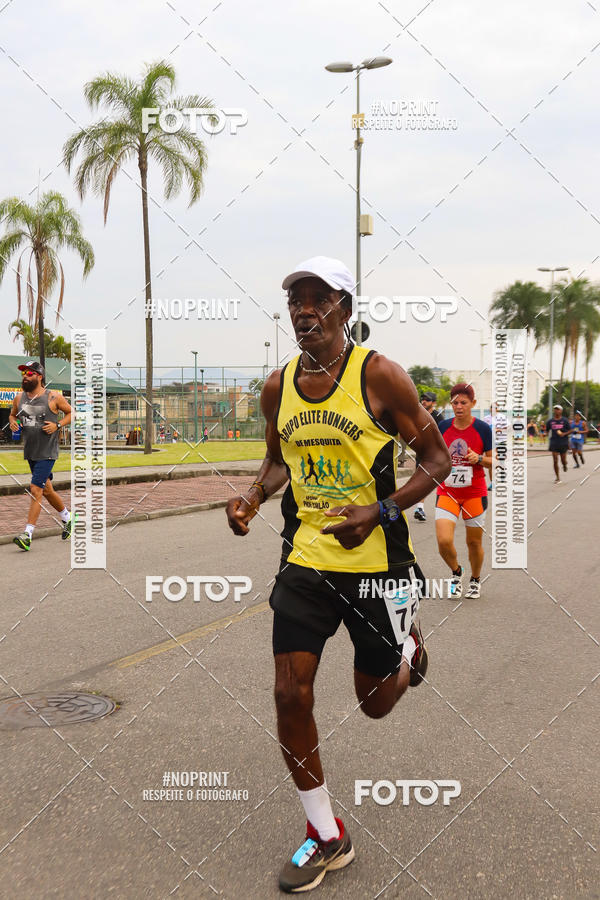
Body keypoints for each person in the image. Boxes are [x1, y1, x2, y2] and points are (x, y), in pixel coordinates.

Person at [226, 256, 451, 894]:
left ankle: (406, 649)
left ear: (345, 309)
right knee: (289, 694)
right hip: (306, 561)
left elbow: (437, 458)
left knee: (375, 703)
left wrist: (379, 511)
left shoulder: (380, 377)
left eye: (317, 299)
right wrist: (251, 497)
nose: (303, 311)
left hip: (379, 564)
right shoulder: (278, 387)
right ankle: (327, 834)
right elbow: (276, 465)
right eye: (295, 300)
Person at [435, 383, 493, 600]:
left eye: (463, 403)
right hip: (447, 492)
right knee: (443, 540)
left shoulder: (483, 429)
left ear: (473, 404)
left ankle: (476, 579)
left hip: (474, 494)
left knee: (474, 542)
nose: (459, 407)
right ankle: (457, 572)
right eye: (455, 403)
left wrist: (478, 458)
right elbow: (435, 455)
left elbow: (494, 461)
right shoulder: (443, 427)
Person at [9, 361, 73, 551]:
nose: (25, 376)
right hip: (31, 452)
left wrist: (58, 425)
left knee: (36, 489)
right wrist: (12, 422)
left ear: (39, 376)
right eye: (23, 373)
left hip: (48, 452)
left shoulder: (53, 397)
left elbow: (71, 413)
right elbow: (13, 415)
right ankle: (68, 519)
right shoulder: (18, 398)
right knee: (46, 490)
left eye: (29, 373)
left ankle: (27, 535)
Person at [413, 391, 444, 521]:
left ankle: (446, 507)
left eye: (428, 400)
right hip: (421, 452)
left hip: (434, 454)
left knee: (434, 481)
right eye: (423, 399)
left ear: (434, 403)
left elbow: (442, 437)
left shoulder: (439, 417)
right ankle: (419, 508)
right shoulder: (416, 415)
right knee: (421, 481)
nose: (424, 401)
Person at [546, 404, 571, 483]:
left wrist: (564, 434)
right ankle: (557, 477)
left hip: (563, 442)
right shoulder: (550, 421)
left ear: (561, 411)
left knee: (563, 460)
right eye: (555, 409)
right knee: (555, 460)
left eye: (558, 409)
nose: (556, 410)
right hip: (554, 442)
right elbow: (547, 430)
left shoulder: (565, 420)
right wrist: (545, 433)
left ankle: (564, 465)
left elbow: (570, 430)